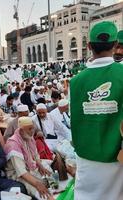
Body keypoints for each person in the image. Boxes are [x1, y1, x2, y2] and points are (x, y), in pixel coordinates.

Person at [70, 21, 123, 199]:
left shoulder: (76, 81)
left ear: (89, 46)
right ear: (116, 45)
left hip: (87, 157)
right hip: (117, 158)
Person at [4, 117, 52, 199]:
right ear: (21, 130)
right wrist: (37, 184)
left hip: (30, 167)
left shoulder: (28, 137)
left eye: (33, 128)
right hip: (17, 174)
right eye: (29, 129)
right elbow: (21, 172)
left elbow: (35, 155)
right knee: (38, 191)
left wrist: (40, 165)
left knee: (49, 173)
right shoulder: (13, 144)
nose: (32, 131)